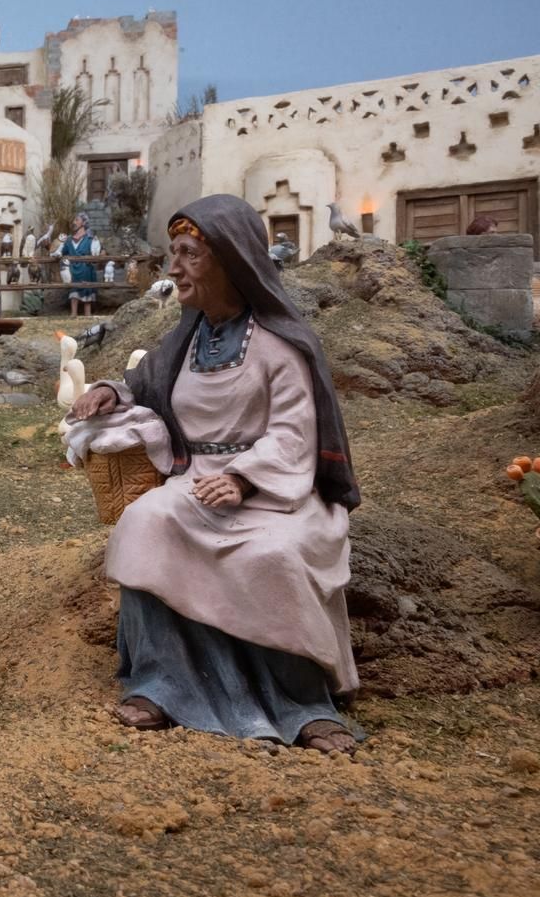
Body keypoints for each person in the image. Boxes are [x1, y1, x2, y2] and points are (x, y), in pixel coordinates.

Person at [68, 193, 362, 755]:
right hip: (197, 485)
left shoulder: (280, 348)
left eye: (188, 256)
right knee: (144, 522)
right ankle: (161, 681)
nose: (174, 269)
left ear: (230, 261)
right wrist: (109, 390)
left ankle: (301, 702)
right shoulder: (187, 340)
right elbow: (148, 385)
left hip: (275, 494)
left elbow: (294, 434)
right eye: (172, 254)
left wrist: (245, 477)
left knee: (271, 555)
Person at [60, 213, 101, 316]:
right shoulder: (69, 240)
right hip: (73, 268)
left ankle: (88, 315)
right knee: (74, 292)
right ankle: (73, 314)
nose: (74, 222)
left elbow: (98, 251)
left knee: (87, 291)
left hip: (86, 268)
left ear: (83, 223)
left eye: (77, 220)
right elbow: (62, 252)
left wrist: (98, 256)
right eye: (74, 220)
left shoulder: (90, 238)